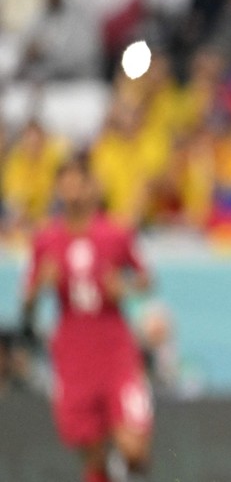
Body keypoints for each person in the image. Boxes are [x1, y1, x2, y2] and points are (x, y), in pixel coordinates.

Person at [20, 156, 154, 482]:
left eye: (78, 182)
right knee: (93, 457)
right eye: (65, 183)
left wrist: (123, 286)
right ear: (57, 190)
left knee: (134, 448)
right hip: (73, 353)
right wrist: (40, 286)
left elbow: (145, 279)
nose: (72, 191)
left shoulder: (115, 234)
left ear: (91, 187)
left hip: (115, 348)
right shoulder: (46, 240)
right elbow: (26, 308)